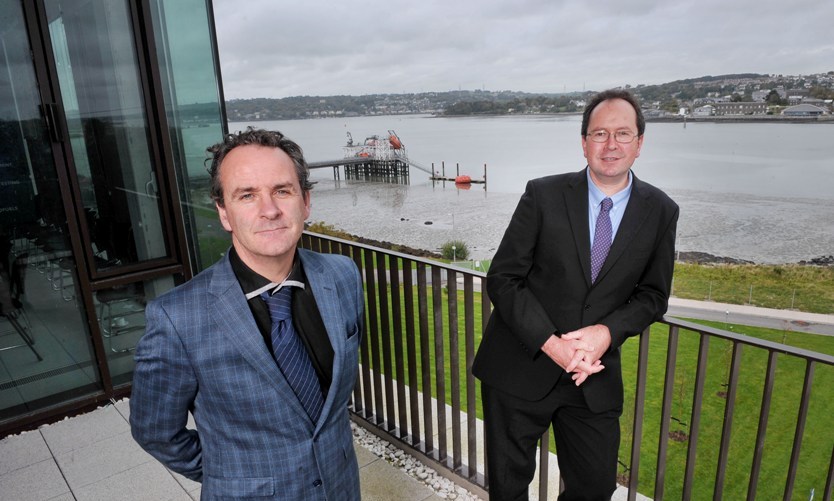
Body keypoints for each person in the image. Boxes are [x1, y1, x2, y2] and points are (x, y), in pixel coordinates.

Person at [130, 128, 364, 500]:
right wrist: (231, 474)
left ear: (305, 201)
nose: (269, 210)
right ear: (224, 212)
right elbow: (155, 432)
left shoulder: (343, 276)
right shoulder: (176, 318)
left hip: (341, 487)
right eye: (247, 195)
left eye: (282, 191)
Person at [472, 89, 679, 500]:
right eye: (600, 134)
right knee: (508, 489)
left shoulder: (661, 210)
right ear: (584, 142)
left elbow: (653, 296)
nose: (611, 144)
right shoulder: (543, 195)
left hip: (592, 378)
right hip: (520, 365)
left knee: (594, 488)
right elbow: (504, 278)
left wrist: (606, 332)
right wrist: (552, 344)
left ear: (639, 143)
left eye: (623, 133)